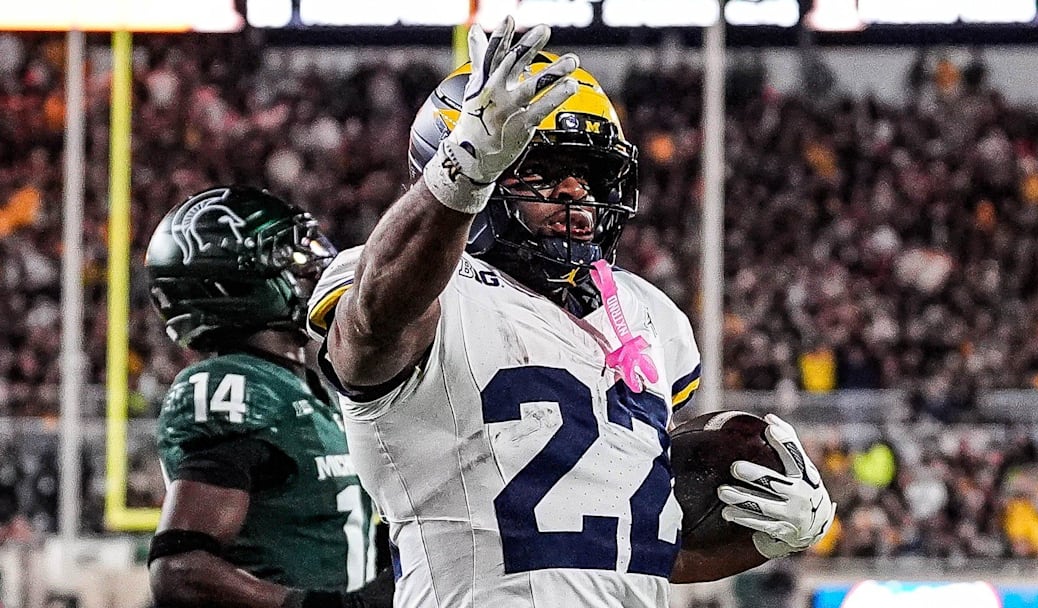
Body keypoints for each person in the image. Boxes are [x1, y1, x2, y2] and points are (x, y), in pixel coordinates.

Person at [306, 17, 835, 607]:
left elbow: (627, 548)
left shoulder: (648, 316)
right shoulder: (421, 288)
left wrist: (769, 537)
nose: (575, 194)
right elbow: (373, 322)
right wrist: (462, 175)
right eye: (542, 170)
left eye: (589, 174)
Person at [144, 187, 392, 608]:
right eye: (291, 257)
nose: (315, 268)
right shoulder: (233, 385)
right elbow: (179, 571)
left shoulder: (306, 387)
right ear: (234, 282)